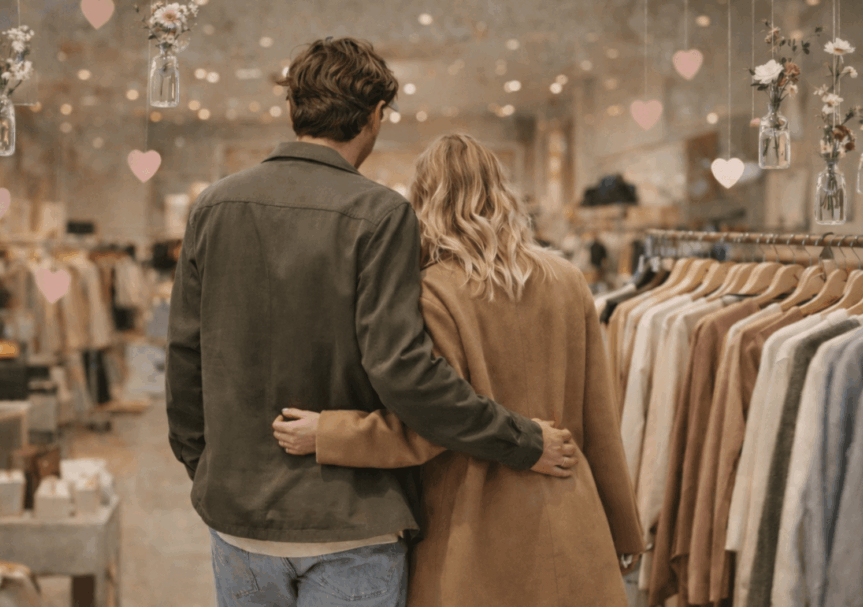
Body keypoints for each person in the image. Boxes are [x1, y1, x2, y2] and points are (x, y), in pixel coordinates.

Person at [165, 38, 577, 607]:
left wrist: (211, 468)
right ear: (375, 115)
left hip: (239, 517)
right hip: (353, 518)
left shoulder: (212, 207)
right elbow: (405, 373)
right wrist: (520, 439)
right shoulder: (381, 215)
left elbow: (185, 359)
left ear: (294, 109)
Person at [273, 134, 646, 606]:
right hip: (571, 519)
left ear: (424, 201)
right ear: (503, 194)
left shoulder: (430, 291)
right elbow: (600, 421)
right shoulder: (568, 281)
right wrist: (623, 529)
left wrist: (329, 433)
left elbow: (430, 423)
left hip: (474, 534)